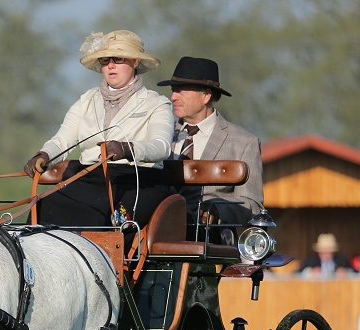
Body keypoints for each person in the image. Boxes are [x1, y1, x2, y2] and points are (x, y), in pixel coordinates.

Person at [23, 30, 174, 232]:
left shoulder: (156, 103)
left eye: (118, 58)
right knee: (43, 206)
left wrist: (126, 149)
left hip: (138, 181)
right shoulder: (86, 100)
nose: (110, 65)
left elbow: (162, 147)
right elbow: (62, 140)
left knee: (97, 216)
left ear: (135, 61)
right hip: (91, 179)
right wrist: (44, 154)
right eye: (104, 60)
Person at [156, 57, 264, 234]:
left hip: (211, 240)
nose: (173, 97)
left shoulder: (244, 142)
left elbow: (253, 206)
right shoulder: (161, 133)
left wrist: (216, 210)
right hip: (158, 233)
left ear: (206, 95)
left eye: (180, 91)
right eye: (173, 90)